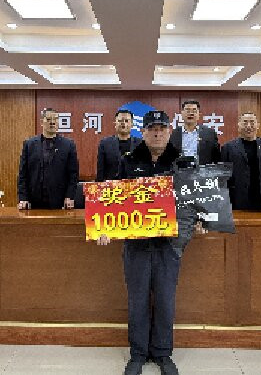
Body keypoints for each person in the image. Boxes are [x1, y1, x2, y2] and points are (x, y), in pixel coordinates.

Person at [97, 110, 206, 375]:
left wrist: (200, 219)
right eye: (152, 129)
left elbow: (195, 197)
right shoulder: (129, 160)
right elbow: (112, 196)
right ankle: (138, 353)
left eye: (162, 129)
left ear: (169, 131)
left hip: (169, 244)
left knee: (166, 300)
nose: (157, 133)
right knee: (138, 300)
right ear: (143, 133)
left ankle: (162, 353)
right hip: (136, 243)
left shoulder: (183, 162)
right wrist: (104, 227)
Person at [17, 108, 79, 210]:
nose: (52, 122)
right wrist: (23, 198)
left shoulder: (68, 145)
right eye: (49, 119)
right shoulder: (29, 144)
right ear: (42, 122)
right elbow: (23, 174)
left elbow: (73, 175)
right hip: (33, 201)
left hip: (59, 201)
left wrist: (69, 196)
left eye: (55, 119)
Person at [221, 112, 261, 211]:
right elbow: (222, 176)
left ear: (257, 125)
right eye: (245, 122)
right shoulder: (228, 147)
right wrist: (223, 198)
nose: (248, 126)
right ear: (239, 125)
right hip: (236, 198)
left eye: (252, 122)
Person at [169, 99, 220, 165]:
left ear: (199, 114)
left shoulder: (210, 134)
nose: (191, 113)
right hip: (180, 170)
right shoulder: (174, 134)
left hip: (202, 170)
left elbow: (216, 158)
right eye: (187, 110)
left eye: (194, 111)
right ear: (182, 113)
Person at [96, 109, 141, 182]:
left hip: (135, 186)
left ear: (132, 124)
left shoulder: (140, 144)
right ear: (115, 123)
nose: (123, 123)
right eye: (120, 121)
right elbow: (100, 172)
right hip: (111, 187)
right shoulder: (105, 144)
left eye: (126, 121)